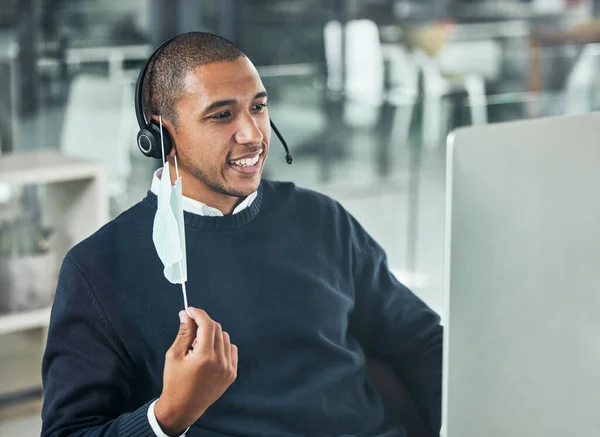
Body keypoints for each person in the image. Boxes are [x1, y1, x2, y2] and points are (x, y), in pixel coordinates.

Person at [41, 32, 442, 437]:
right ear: (162, 135)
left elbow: (424, 342)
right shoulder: (98, 268)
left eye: (258, 107)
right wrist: (167, 416)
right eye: (221, 115)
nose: (252, 134)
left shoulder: (321, 218)